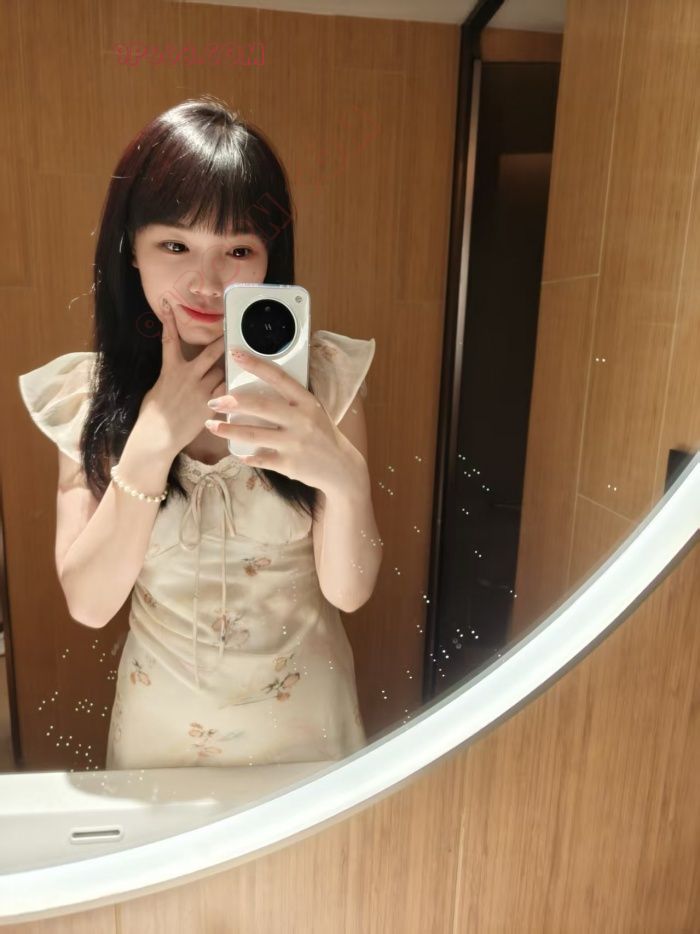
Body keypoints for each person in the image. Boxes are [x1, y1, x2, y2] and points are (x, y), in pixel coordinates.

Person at [17, 96, 382, 769]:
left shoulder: (326, 380)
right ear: (131, 249)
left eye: (238, 249)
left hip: (308, 738)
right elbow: (90, 604)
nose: (207, 283)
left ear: (269, 257)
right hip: (160, 745)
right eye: (175, 245)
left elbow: (350, 590)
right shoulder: (89, 398)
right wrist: (155, 438)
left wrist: (344, 478)